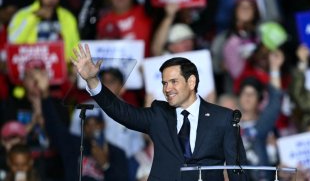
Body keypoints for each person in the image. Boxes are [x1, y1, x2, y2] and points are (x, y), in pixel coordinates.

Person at [72, 43, 248, 181]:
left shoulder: (223, 118)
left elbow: (237, 169)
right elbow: (122, 112)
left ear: (191, 82)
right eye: (164, 83)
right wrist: (93, 81)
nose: (167, 89)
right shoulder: (159, 114)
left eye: (173, 82)